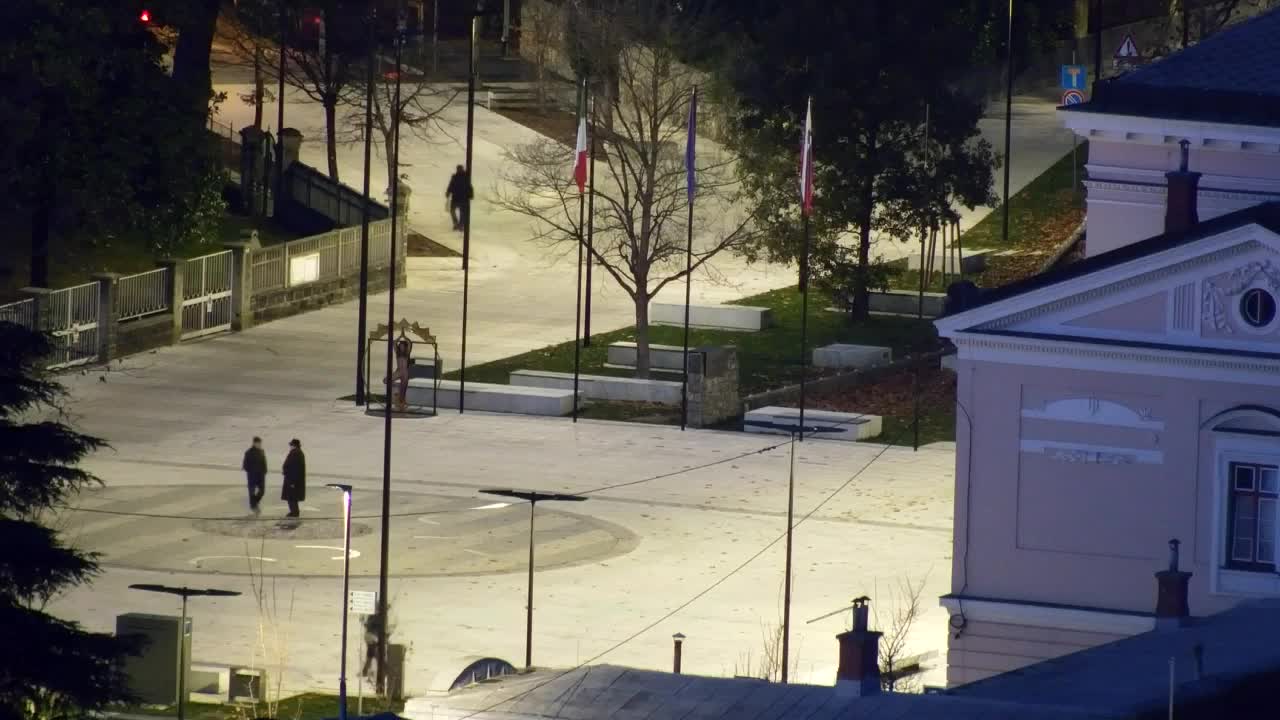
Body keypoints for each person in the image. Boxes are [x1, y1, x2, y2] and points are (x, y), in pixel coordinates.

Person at [241, 436, 268, 514]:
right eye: (258, 443)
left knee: (262, 491)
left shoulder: (262, 451)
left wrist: (265, 470)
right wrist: (251, 471)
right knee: (251, 492)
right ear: (254, 443)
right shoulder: (249, 452)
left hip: (261, 475)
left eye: (260, 443)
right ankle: (253, 506)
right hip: (252, 476)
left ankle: (254, 503)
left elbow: (264, 462)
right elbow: (245, 465)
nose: (260, 444)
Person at [281, 438, 306, 518]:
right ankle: (294, 512)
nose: (290, 446)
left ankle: (294, 512)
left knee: (291, 497)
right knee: (292, 497)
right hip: (293, 479)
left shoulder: (295, 453)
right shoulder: (297, 453)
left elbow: (295, 468)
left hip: (292, 479)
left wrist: (292, 482)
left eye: (291, 445)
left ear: (294, 445)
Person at [445, 164, 473, 232]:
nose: (459, 170)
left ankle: (460, 225)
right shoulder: (454, 177)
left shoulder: (465, 177)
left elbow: (469, 186)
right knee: (453, 211)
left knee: (461, 212)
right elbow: (451, 185)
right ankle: (456, 224)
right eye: (458, 169)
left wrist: (470, 195)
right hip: (456, 197)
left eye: (460, 169)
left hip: (462, 198)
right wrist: (448, 192)